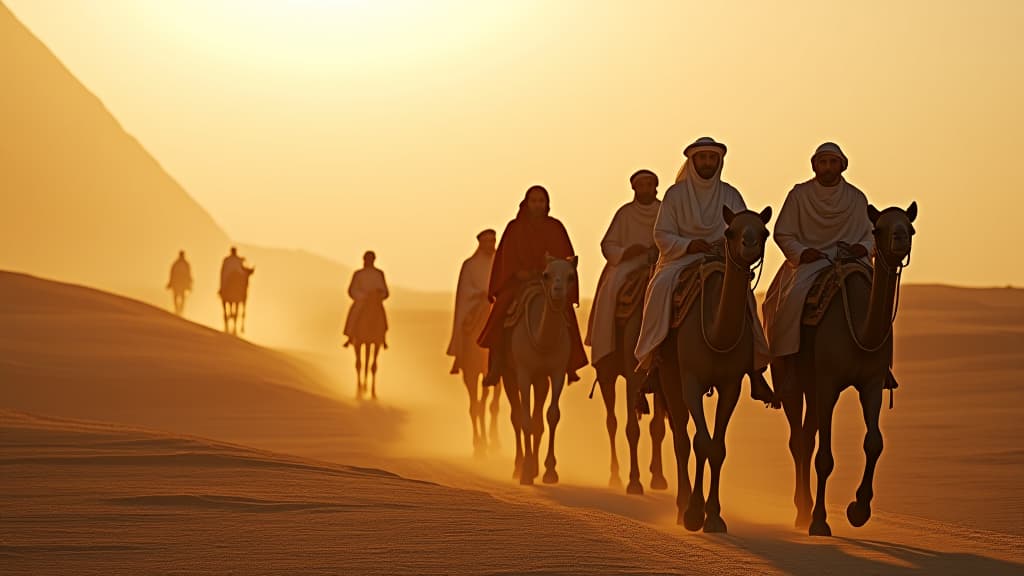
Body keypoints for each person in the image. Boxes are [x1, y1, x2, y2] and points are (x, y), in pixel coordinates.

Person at [634, 137, 775, 404]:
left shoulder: (730, 194)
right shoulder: (675, 195)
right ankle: (652, 361)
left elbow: (742, 230)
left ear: (719, 162)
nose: (708, 163)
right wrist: (689, 245)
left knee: (744, 298)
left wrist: (723, 249)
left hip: (721, 262)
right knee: (660, 288)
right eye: (703, 158)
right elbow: (661, 234)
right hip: (680, 261)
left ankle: (756, 369)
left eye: (712, 158)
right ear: (693, 161)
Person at [762, 142, 898, 391]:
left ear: (842, 166)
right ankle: (787, 363)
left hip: (852, 262)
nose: (827, 167)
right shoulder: (799, 195)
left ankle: (881, 366)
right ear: (815, 165)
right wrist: (802, 252)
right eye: (823, 162)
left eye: (832, 162)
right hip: (809, 263)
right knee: (786, 304)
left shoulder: (856, 198)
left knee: (877, 301)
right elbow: (783, 233)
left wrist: (864, 248)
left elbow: (870, 235)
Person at [479, 185, 587, 386]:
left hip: (548, 282)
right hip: (520, 282)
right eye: (534, 201)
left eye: (541, 201)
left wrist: (552, 273)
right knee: (501, 309)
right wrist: (520, 273)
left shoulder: (556, 227)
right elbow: (507, 257)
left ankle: (570, 364)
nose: (537, 205)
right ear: (527, 203)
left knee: (565, 313)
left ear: (547, 204)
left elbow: (565, 259)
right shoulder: (515, 227)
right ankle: (496, 364)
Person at [586, 169, 661, 369]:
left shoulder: (665, 210)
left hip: (660, 263)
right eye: (641, 185)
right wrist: (627, 251)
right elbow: (608, 245)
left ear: (656, 187)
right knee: (610, 288)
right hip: (627, 265)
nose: (645, 189)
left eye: (649, 185)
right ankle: (605, 348)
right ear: (634, 188)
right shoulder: (625, 213)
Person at [447, 229, 498, 376]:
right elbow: (465, 289)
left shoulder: (501, 261)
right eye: (487, 241)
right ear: (481, 243)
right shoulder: (469, 265)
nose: (490, 244)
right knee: (465, 326)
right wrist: (479, 294)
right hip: (476, 305)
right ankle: (460, 359)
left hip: (495, 303)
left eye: (492, 241)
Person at [344, 251, 390, 349]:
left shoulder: (379, 274)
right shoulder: (358, 274)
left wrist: (378, 296)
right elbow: (352, 290)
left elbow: (385, 291)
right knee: (355, 314)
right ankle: (350, 336)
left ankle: (382, 338)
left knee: (382, 318)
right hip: (362, 301)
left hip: (375, 302)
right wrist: (363, 296)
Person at [166, 250, 193, 315]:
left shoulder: (182, 264)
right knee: (177, 297)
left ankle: (180, 310)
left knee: (181, 297)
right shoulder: (179, 264)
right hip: (177, 284)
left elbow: (189, 275)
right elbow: (172, 274)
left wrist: (189, 285)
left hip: (181, 284)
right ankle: (177, 310)